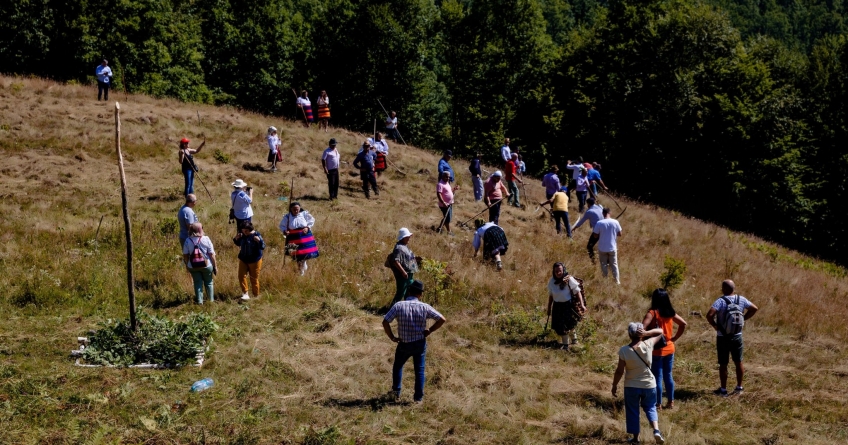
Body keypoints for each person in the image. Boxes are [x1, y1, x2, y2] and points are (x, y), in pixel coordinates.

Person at [382, 280, 446, 403]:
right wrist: (430, 330)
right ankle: (418, 398)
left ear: (409, 291)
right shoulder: (424, 307)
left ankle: (396, 393)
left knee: (398, 367)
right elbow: (442, 319)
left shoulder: (399, 306)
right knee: (419, 371)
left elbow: (385, 322)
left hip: (404, 343)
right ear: (420, 294)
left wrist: (392, 337)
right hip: (419, 343)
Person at [611, 323, 667, 444]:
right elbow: (661, 331)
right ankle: (656, 430)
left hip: (631, 385)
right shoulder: (648, 344)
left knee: (633, 411)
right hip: (649, 385)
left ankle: (636, 439)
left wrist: (614, 385)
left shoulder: (624, 351)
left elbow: (619, 371)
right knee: (651, 407)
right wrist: (647, 333)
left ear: (629, 335)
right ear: (641, 334)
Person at [706, 280, 759, 397]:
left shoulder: (720, 301)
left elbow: (709, 315)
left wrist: (715, 326)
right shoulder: (742, 300)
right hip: (737, 336)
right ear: (734, 288)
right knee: (738, 361)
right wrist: (744, 319)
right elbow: (754, 308)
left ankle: (723, 390)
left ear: (723, 289)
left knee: (723, 364)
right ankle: (739, 388)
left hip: (723, 337)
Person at [642, 289, 688, 410]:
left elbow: (642, 328)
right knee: (668, 375)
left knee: (657, 377)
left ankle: (658, 404)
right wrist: (675, 338)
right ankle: (671, 402)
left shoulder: (652, 313)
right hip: (669, 347)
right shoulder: (670, 312)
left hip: (656, 349)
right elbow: (683, 324)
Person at [546, 262, 586, 350]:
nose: (558, 273)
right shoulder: (552, 281)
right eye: (556, 271)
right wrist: (549, 308)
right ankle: (567, 343)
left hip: (568, 305)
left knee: (569, 324)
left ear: (563, 270)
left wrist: (582, 305)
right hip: (557, 306)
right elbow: (551, 296)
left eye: (560, 270)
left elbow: (577, 291)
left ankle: (568, 344)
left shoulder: (569, 279)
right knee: (561, 326)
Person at [279, 202, 319, 275]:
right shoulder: (287, 217)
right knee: (297, 255)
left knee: (305, 253)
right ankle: (301, 271)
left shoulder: (304, 214)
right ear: (291, 209)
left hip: (304, 236)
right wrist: (285, 231)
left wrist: (307, 227)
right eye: (294, 209)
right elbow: (282, 226)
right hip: (293, 237)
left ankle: (303, 263)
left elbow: (312, 220)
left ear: (300, 208)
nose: (296, 211)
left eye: (297, 209)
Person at [182, 222, 217, 305]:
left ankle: (200, 301)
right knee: (209, 282)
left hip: (193, 266)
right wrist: (215, 266)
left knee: (197, 282)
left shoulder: (187, 240)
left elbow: (185, 255)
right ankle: (211, 301)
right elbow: (212, 254)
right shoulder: (206, 239)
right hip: (207, 265)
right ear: (201, 229)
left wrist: (187, 265)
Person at [233, 221, 265, 301]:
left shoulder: (256, 235)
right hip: (243, 259)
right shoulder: (242, 235)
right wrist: (236, 238)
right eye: (243, 231)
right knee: (241, 276)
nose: (244, 232)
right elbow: (238, 243)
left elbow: (263, 246)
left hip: (255, 260)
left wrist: (259, 241)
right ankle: (245, 293)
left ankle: (256, 295)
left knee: (253, 278)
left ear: (250, 229)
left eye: (246, 231)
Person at [389, 228, 421, 304]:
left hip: (409, 274)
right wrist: (403, 272)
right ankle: (392, 310)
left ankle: (407, 310)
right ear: (403, 237)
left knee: (409, 293)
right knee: (401, 293)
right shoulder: (398, 247)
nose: (409, 238)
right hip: (403, 275)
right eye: (407, 237)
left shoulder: (405, 246)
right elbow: (396, 261)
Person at [592, 208, 622, 284]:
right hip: (612, 247)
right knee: (614, 264)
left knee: (603, 264)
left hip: (602, 248)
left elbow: (595, 235)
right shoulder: (615, 222)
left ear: (603, 213)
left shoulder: (599, 223)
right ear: (610, 213)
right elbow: (620, 234)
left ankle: (605, 280)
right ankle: (617, 281)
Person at [572, 197, 603, 262]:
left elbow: (582, 221)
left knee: (589, 246)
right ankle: (607, 262)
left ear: (588, 204)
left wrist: (575, 227)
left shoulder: (589, 211)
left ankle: (593, 261)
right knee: (604, 247)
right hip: (605, 230)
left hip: (597, 231)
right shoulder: (600, 207)